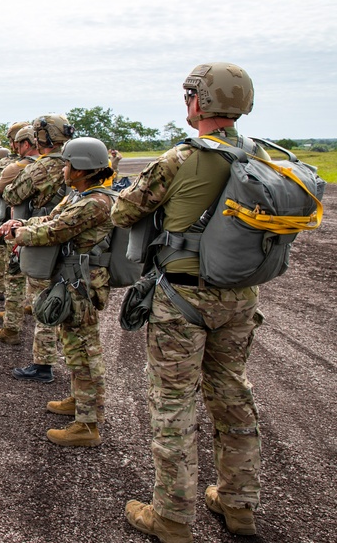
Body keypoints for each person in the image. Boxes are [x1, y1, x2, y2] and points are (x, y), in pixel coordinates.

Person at [115, 63, 262, 542]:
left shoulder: (181, 157)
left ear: (200, 101)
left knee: (173, 404)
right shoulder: (258, 155)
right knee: (232, 393)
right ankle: (238, 506)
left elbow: (125, 210)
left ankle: (173, 518)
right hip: (239, 296)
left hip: (182, 296)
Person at [0, 137, 115, 446]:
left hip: (83, 285)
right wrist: (21, 222)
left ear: (80, 168)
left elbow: (55, 231)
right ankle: (80, 401)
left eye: (67, 164)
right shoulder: (79, 196)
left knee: (85, 351)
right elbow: (50, 219)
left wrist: (19, 234)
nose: (62, 168)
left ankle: (88, 425)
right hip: (72, 278)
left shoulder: (96, 202)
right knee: (74, 344)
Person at [2, 114, 72, 383]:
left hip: (43, 231)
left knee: (43, 296)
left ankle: (43, 364)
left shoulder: (44, 166)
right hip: (76, 234)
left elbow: (12, 194)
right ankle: (68, 353)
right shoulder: (77, 159)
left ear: (42, 137)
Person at [0, 124, 36, 328]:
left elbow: (0, 192)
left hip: (19, 224)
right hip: (47, 226)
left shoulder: (17, 167)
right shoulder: (62, 164)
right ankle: (34, 306)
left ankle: (12, 325)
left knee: (14, 274)